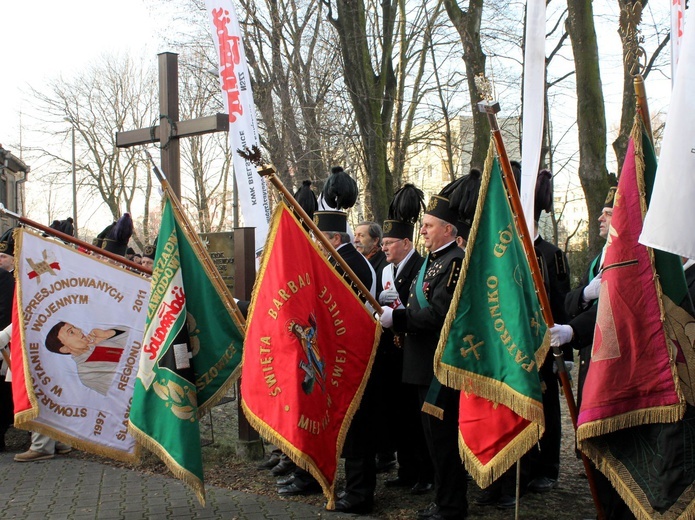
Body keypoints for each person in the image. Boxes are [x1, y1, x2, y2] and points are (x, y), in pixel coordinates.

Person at [379, 184, 468, 520]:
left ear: (448, 229)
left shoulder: (455, 262)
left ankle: (451, 505)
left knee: (443, 441)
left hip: (438, 366)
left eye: (429, 226)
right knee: (433, 440)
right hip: (420, 364)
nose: (423, 231)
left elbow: (439, 314)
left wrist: (397, 318)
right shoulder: (433, 261)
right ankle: (443, 500)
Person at [377, 184, 434, 496]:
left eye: (389, 243)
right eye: (383, 243)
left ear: (406, 242)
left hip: (416, 349)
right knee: (400, 414)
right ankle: (407, 467)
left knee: (418, 418)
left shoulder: (420, 267)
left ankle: (425, 472)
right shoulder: (388, 269)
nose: (385, 248)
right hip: (395, 351)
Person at [44, 321, 128, 396]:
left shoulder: (100, 338)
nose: (79, 330)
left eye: (75, 327)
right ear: (64, 349)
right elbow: (121, 390)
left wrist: (109, 334)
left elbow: (137, 334)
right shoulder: (86, 373)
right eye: (71, 332)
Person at [0, 227, 16, 451]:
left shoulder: (8, 278)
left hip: (8, 341)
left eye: (3, 255)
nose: (0, 260)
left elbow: (6, 311)